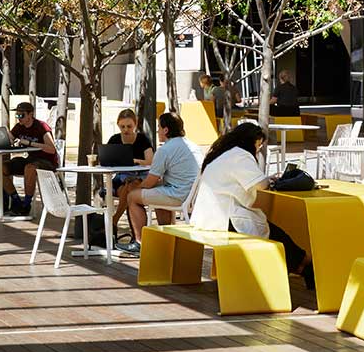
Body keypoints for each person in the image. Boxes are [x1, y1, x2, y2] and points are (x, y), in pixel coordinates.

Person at [189, 122, 313, 287]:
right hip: (227, 220)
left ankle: (303, 267)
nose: (259, 148)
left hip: (209, 218)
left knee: (279, 237)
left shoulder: (223, 154)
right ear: (251, 140)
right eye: (259, 144)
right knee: (280, 241)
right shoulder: (240, 155)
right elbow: (260, 184)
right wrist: (270, 179)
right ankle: (306, 269)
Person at [118, 112, 200, 257]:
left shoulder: (165, 149)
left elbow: (150, 182)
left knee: (132, 197)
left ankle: (139, 242)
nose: (157, 131)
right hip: (193, 197)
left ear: (166, 130)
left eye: (158, 127)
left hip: (178, 195)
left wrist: (134, 188)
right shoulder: (192, 145)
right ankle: (166, 240)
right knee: (157, 193)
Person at [0, 102, 58, 215]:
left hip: (47, 162)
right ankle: (16, 200)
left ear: (30, 114)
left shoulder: (41, 127)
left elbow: (51, 149)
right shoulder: (19, 127)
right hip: (30, 159)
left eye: (21, 115)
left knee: (30, 168)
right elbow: (10, 139)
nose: (19, 118)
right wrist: (3, 137)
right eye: (17, 115)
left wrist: (29, 143)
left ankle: (27, 204)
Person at [106, 108, 155, 232]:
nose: (126, 130)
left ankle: (114, 221)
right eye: (122, 126)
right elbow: (106, 159)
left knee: (130, 186)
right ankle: (134, 234)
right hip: (121, 179)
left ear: (135, 124)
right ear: (118, 125)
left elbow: (151, 161)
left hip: (139, 177)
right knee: (128, 188)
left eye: (129, 126)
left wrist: (136, 161)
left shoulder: (142, 139)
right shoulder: (114, 140)